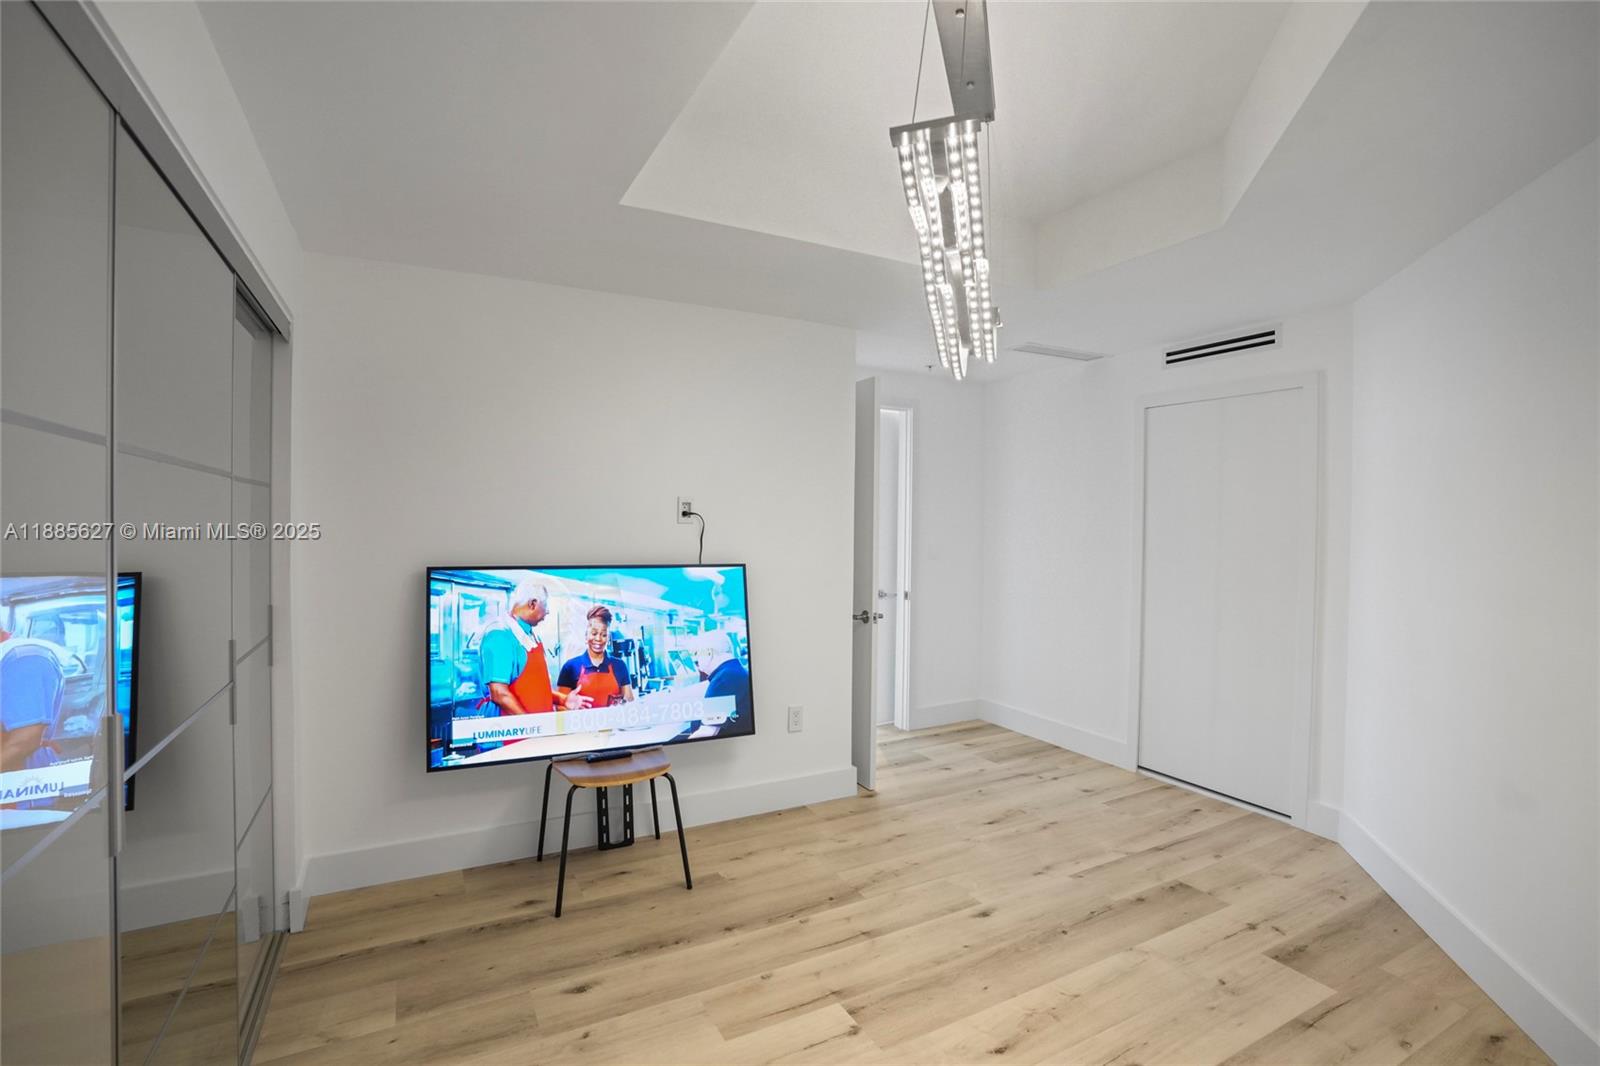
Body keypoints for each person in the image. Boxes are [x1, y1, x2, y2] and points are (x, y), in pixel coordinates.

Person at [476, 578, 583, 716]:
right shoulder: (499, 635)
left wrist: (563, 700)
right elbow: (499, 693)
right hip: (514, 734)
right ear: (532, 604)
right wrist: (530, 726)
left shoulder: (532, 635)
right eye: (545, 606)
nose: (548, 612)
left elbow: (536, 689)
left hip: (540, 730)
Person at [556, 605, 635, 709]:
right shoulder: (570, 667)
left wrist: (622, 704)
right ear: (586, 636)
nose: (598, 639)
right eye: (594, 633)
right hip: (580, 724)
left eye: (604, 635)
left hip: (613, 724)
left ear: (608, 638)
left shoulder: (619, 665)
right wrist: (571, 709)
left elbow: (629, 702)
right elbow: (560, 708)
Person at [692, 630, 751, 727]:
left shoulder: (723, 680)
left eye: (697, 653)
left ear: (709, 653)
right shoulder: (733, 671)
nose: (696, 659)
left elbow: (709, 730)